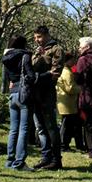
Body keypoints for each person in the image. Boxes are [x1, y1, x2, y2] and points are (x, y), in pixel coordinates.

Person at [31, 25, 64, 170]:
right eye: (35, 38)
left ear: (46, 35)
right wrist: (37, 56)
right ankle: (46, 157)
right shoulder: (37, 50)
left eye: (39, 37)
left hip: (47, 92)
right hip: (35, 92)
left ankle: (56, 160)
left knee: (51, 127)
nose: (37, 40)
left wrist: (38, 76)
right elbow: (30, 67)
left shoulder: (57, 49)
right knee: (41, 128)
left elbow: (55, 71)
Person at [1, 35, 35, 171]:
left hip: (12, 94)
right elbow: (31, 76)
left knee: (13, 129)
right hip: (24, 94)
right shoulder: (25, 56)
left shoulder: (6, 58)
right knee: (24, 129)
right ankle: (19, 162)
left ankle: (10, 160)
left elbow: (8, 77)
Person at [57, 52, 84, 152]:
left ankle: (64, 144)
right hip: (67, 102)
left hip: (66, 101)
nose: (74, 61)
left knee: (67, 124)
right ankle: (63, 145)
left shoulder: (65, 70)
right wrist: (80, 88)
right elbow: (70, 88)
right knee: (66, 125)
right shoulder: (67, 72)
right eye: (72, 59)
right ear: (67, 60)